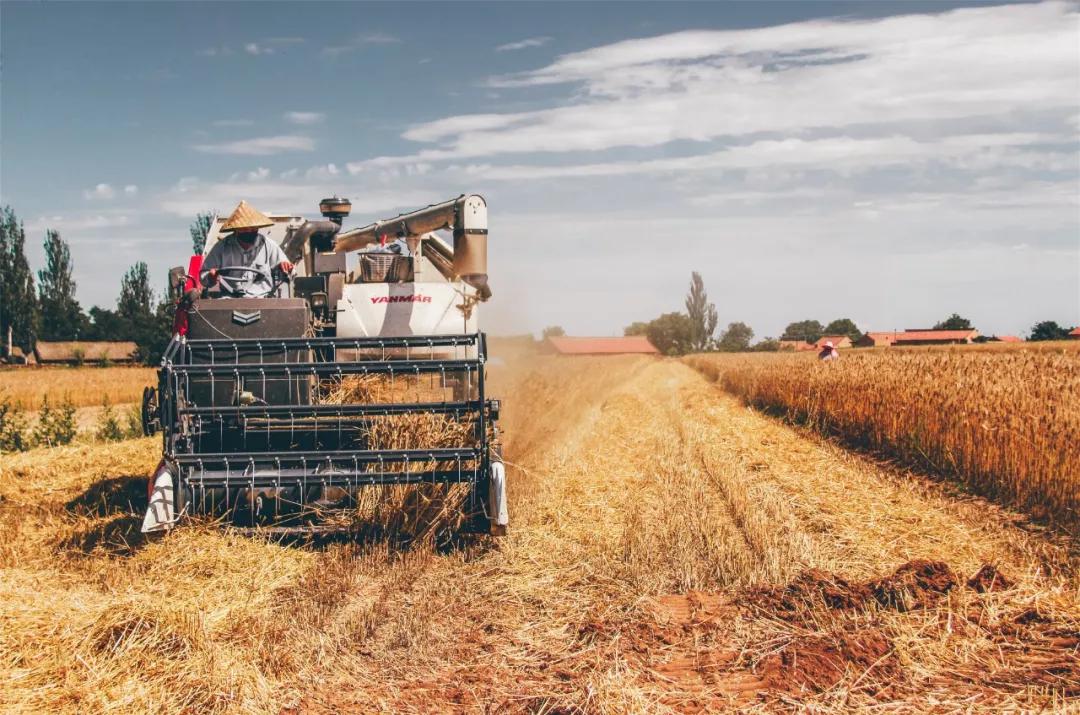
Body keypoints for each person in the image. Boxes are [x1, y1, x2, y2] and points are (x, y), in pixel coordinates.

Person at [201, 200, 294, 298]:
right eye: (245, 228)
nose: (249, 231)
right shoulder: (222, 247)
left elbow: (290, 271)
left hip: (263, 299)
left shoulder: (268, 245)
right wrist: (211, 276)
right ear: (236, 229)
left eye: (253, 228)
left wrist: (286, 267)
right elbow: (204, 277)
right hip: (229, 299)